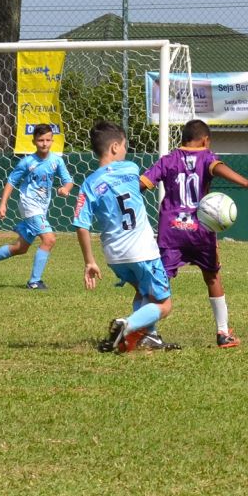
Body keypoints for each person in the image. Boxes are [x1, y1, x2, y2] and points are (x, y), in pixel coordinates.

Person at [140, 119, 248, 348]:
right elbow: (217, 167)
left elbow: (143, 183)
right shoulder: (207, 157)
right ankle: (222, 333)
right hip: (201, 231)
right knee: (213, 277)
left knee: (161, 281)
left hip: (172, 233)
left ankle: (148, 331)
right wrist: (245, 182)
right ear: (206, 140)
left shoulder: (167, 160)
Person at [74, 121, 170, 354]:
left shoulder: (89, 183)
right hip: (142, 250)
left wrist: (90, 261)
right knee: (163, 304)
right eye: (125, 145)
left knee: (142, 291)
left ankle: (150, 337)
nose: (126, 150)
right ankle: (128, 325)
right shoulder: (130, 168)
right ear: (115, 147)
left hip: (114, 255)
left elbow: (80, 224)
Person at [0, 124, 74, 290]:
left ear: (52, 141)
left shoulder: (57, 161)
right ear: (34, 141)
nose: (44, 143)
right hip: (29, 204)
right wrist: (3, 204)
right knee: (49, 239)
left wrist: (66, 189)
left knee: (20, 248)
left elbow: (68, 181)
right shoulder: (27, 162)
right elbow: (11, 181)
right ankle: (34, 281)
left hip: (42, 207)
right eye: (41, 140)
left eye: (48, 140)